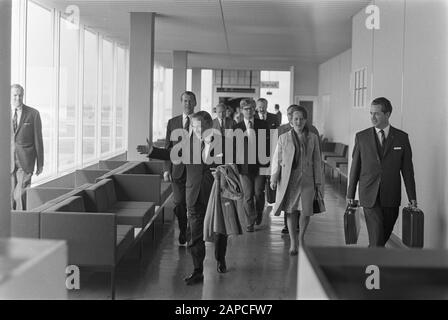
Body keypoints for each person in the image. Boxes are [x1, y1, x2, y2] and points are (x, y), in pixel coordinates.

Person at [138, 111, 217, 284]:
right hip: (194, 195)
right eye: (195, 126)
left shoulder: (223, 142)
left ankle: (220, 256)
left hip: (215, 195)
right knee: (195, 234)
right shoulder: (189, 144)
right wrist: (153, 151)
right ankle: (198, 270)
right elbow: (172, 153)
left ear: (210, 125)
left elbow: (233, 163)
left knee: (219, 231)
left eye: (201, 126)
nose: (198, 129)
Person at [347, 97, 417, 247]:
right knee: (377, 236)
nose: (372, 117)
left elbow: (407, 170)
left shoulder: (401, 138)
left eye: (377, 114)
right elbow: (355, 167)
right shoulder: (362, 137)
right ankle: (374, 267)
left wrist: (412, 197)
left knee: (382, 236)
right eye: (371, 113)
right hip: (369, 195)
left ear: (387, 114)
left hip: (391, 195)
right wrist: (350, 194)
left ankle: (373, 256)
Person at [270, 106, 322, 255]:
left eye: (301, 119)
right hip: (289, 180)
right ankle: (293, 241)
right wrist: (274, 178)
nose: (298, 121)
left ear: (305, 120)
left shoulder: (312, 138)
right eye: (295, 119)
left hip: (307, 180)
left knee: (306, 211)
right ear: (291, 121)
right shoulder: (283, 137)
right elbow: (277, 159)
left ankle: (301, 237)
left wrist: (318, 182)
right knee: (291, 211)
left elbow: (317, 160)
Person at [162, 91, 197, 246]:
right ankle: (183, 230)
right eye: (184, 101)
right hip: (177, 171)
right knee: (179, 203)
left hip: (195, 171)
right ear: (181, 103)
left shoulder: (201, 120)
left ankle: (191, 231)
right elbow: (167, 148)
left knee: (193, 204)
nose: (187, 104)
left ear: (195, 103)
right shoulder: (172, 122)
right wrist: (166, 169)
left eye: (190, 101)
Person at [233, 98, 269, 232]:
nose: (249, 111)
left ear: (255, 110)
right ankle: (250, 222)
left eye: (251, 108)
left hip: (261, 165)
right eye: (246, 109)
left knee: (259, 193)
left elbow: (268, 147)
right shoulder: (237, 127)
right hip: (244, 167)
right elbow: (233, 148)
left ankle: (259, 213)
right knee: (247, 195)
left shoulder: (263, 124)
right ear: (242, 111)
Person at [11, 84, 44, 210]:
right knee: (9, 197)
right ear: (10, 96)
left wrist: (40, 164)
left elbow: (38, 140)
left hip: (25, 162)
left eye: (20, 95)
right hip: (8, 163)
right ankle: (11, 225)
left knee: (20, 196)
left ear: (23, 96)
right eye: (15, 95)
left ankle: (22, 221)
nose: (18, 98)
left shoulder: (33, 114)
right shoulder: (3, 113)